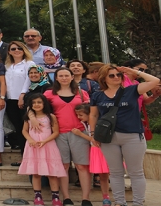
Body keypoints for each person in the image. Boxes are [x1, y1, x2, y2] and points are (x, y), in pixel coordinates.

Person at [89, 64, 160, 206]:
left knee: (136, 172)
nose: (116, 77)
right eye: (112, 75)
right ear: (104, 78)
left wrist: (133, 71)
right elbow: (94, 114)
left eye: (118, 75)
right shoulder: (97, 95)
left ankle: (138, 203)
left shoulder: (132, 90)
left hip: (132, 135)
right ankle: (120, 202)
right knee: (115, 173)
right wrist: (92, 134)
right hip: (108, 137)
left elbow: (155, 81)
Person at [41, 67, 92, 206]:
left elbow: (90, 112)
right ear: (56, 78)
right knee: (63, 166)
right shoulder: (49, 93)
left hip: (79, 132)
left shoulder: (81, 93)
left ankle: (86, 198)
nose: (64, 78)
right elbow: (38, 108)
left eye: (66, 75)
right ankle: (66, 197)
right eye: (61, 75)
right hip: (58, 133)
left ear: (71, 77)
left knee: (82, 166)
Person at [17, 93, 66, 206]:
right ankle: (38, 197)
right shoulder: (28, 118)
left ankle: (55, 197)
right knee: (36, 173)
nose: (36, 104)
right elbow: (24, 130)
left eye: (39, 102)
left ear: (44, 103)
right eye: (33, 103)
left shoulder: (51, 117)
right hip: (33, 147)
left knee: (52, 173)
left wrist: (45, 141)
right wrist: (29, 139)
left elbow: (56, 132)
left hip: (48, 146)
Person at [71, 104, 111, 206]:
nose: (78, 117)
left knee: (105, 176)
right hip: (94, 152)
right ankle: (105, 197)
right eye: (77, 115)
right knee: (101, 176)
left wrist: (80, 134)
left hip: (101, 151)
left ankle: (107, 196)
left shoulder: (96, 124)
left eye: (80, 115)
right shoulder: (86, 124)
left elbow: (96, 140)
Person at [4, 41, 33, 153]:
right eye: (13, 49)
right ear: (9, 52)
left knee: (26, 128)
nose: (16, 51)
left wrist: (22, 94)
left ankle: (29, 156)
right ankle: (23, 155)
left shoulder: (29, 64)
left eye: (19, 48)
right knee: (18, 128)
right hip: (10, 100)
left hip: (23, 100)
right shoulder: (7, 66)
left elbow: (28, 80)